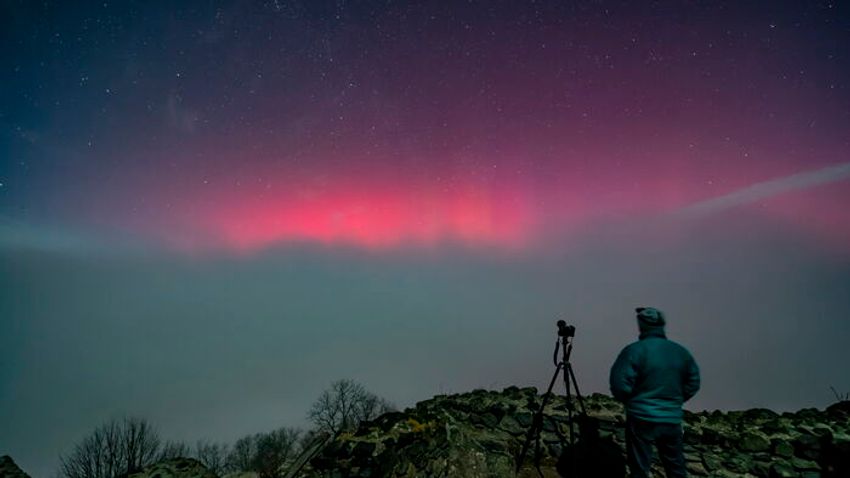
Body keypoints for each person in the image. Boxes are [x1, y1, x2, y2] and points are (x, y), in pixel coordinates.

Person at [609, 307, 700, 478]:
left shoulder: (635, 351)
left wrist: (633, 401)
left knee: (640, 468)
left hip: (641, 417)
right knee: (676, 467)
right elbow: (693, 382)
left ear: (641, 325)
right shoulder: (680, 352)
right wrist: (675, 400)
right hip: (671, 418)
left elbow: (619, 384)